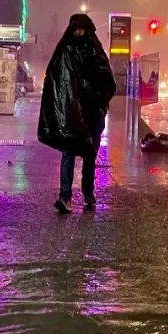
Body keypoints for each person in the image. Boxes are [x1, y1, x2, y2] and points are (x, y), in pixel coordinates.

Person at [37, 13, 116, 214]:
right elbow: (57, 81)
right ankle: (65, 196)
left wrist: (99, 100)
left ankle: (87, 193)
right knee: (69, 152)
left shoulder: (94, 51)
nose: (79, 33)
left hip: (91, 112)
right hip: (71, 113)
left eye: (82, 29)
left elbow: (106, 80)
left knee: (89, 154)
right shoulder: (66, 51)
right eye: (76, 29)